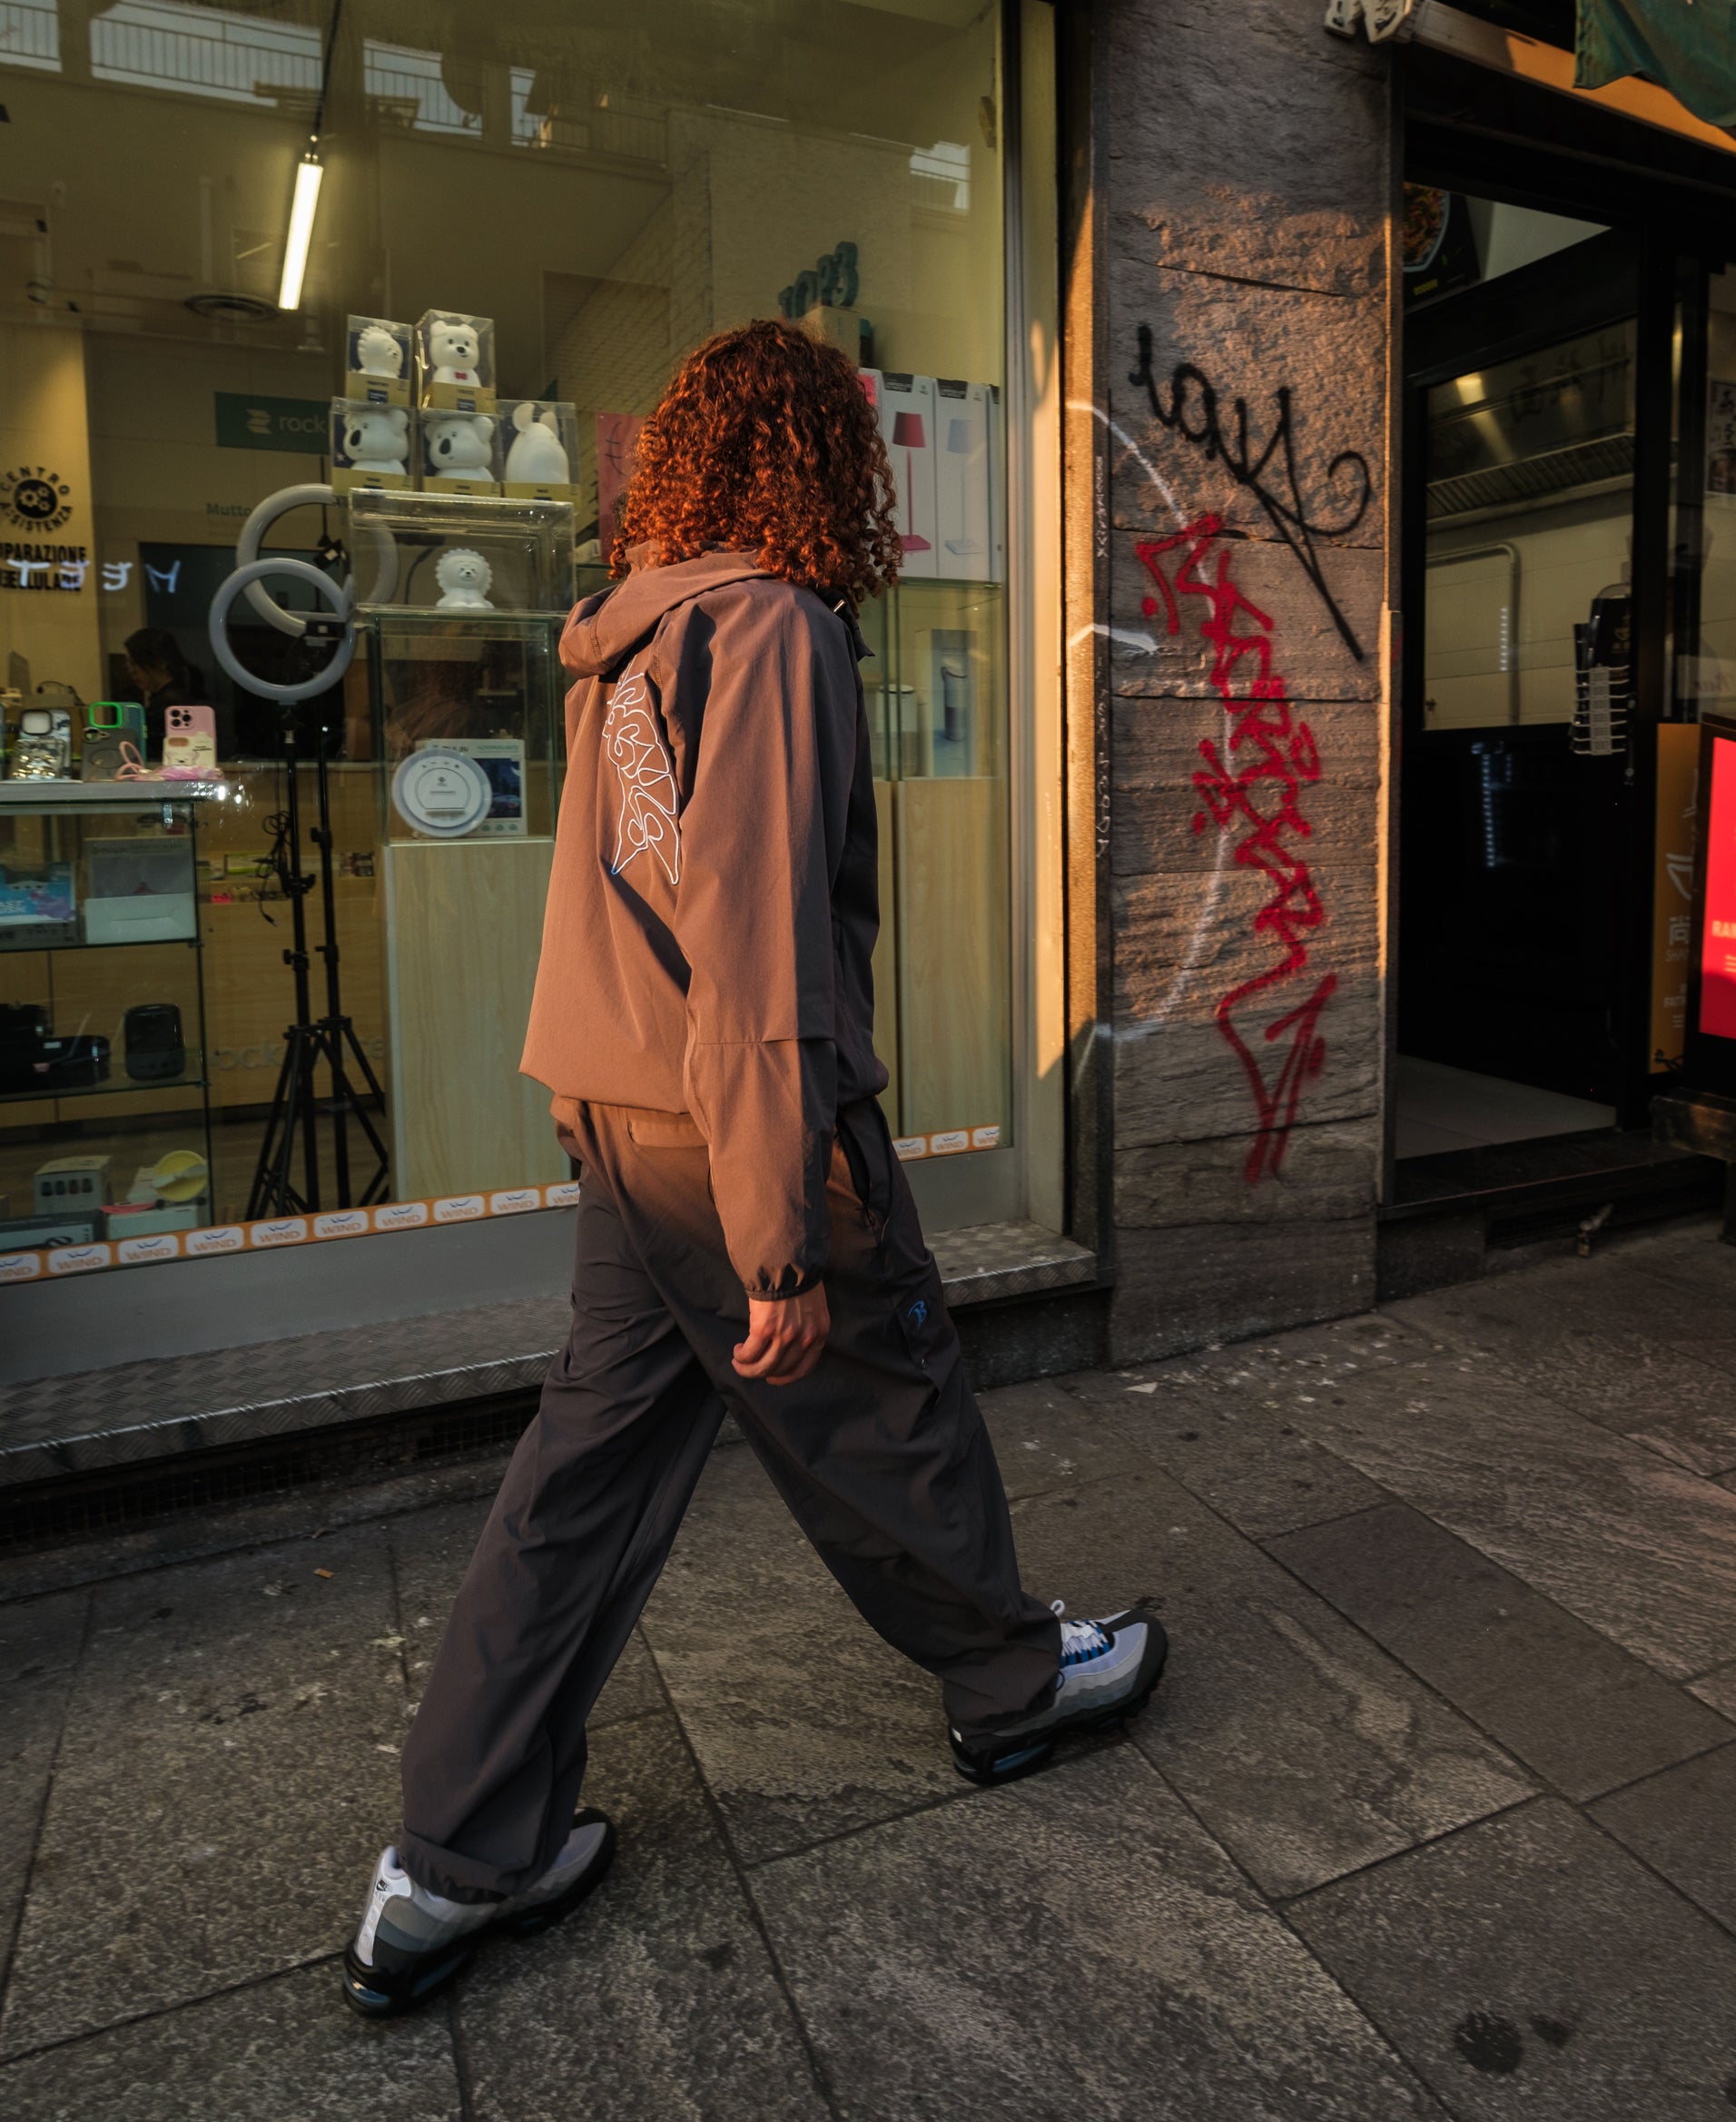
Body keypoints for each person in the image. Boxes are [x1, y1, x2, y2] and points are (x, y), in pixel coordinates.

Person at [341, 321, 1168, 2018]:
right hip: (740, 1131)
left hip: (629, 1125)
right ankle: (1015, 1680)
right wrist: (781, 1236)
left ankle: (446, 1863)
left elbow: (601, 905)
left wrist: (581, 1097)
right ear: (818, 461)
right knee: (892, 1398)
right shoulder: (774, 631)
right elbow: (757, 944)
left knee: (582, 1481)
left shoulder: (623, 640)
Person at [121, 627, 207, 761]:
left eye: (135, 663)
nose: (131, 671)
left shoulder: (171, 703)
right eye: (128, 665)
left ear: (159, 663)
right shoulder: (174, 696)